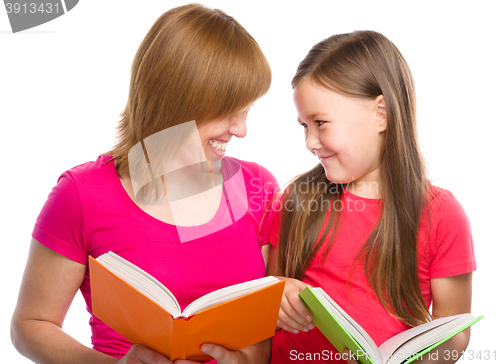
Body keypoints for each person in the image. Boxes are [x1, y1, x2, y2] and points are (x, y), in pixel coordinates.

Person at [11, 4, 278, 364]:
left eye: (246, 111)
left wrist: (244, 361)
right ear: (176, 102)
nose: (241, 130)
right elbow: (31, 324)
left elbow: (272, 332)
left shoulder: (256, 186)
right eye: (227, 110)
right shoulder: (81, 194)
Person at [266, 30, 476, 364]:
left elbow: (455, 331)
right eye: (304, 126)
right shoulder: (298, 199)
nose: (310, 142)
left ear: (381, 114)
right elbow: (270, 284)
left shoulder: (441, 214)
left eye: (320, 123)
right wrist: (279, 293)